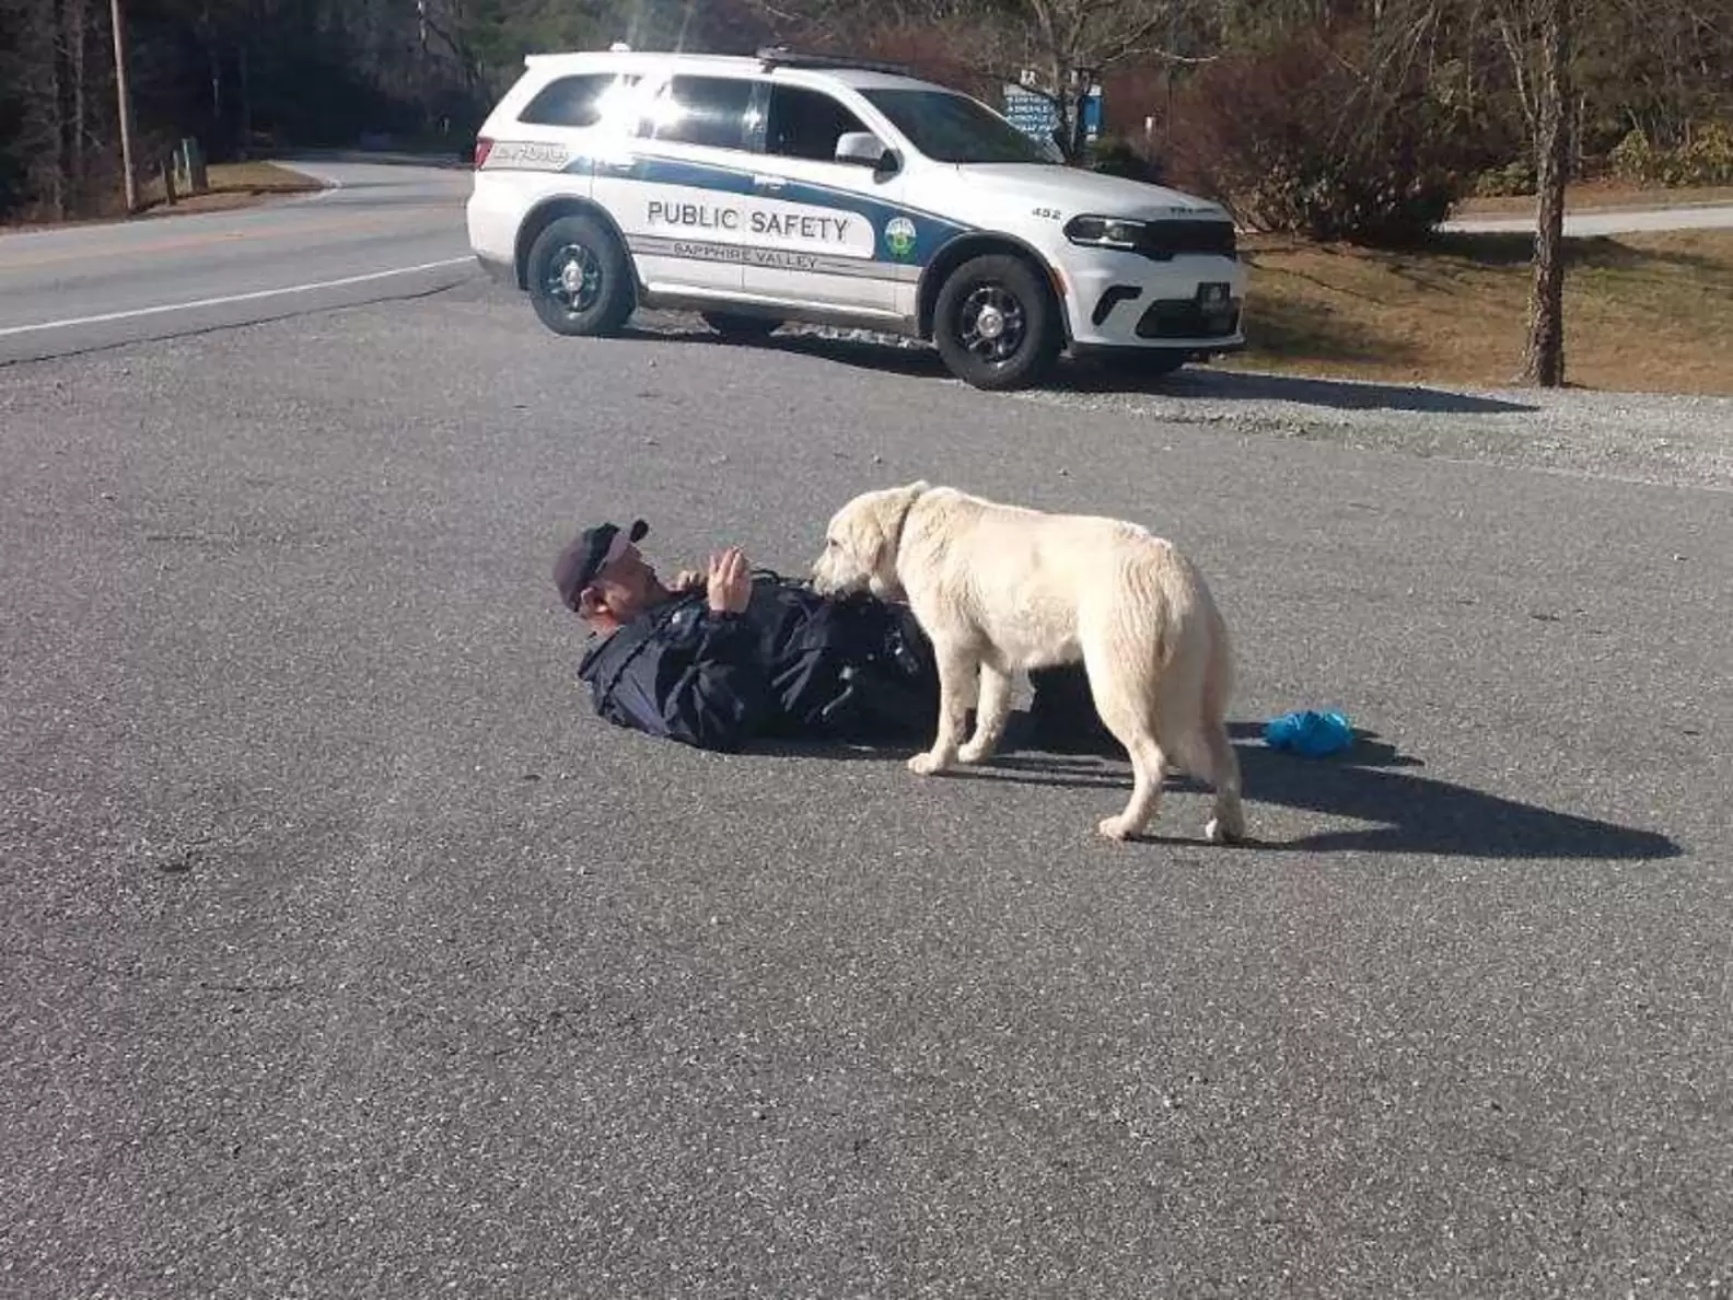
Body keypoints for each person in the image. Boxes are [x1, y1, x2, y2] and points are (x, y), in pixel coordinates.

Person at [552, 517, 1114, 754]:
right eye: (628, 565)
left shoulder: (657, 613)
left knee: (1027, 595)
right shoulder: (626, 671)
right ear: (596, 602)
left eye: (637, 552)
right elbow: (711, 719)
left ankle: (1126, 710)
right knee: (1013, 612)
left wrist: (696, 598)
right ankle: (1107, 725)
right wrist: (723, 617)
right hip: (872, 675)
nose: (644, 563)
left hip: (869, 632)